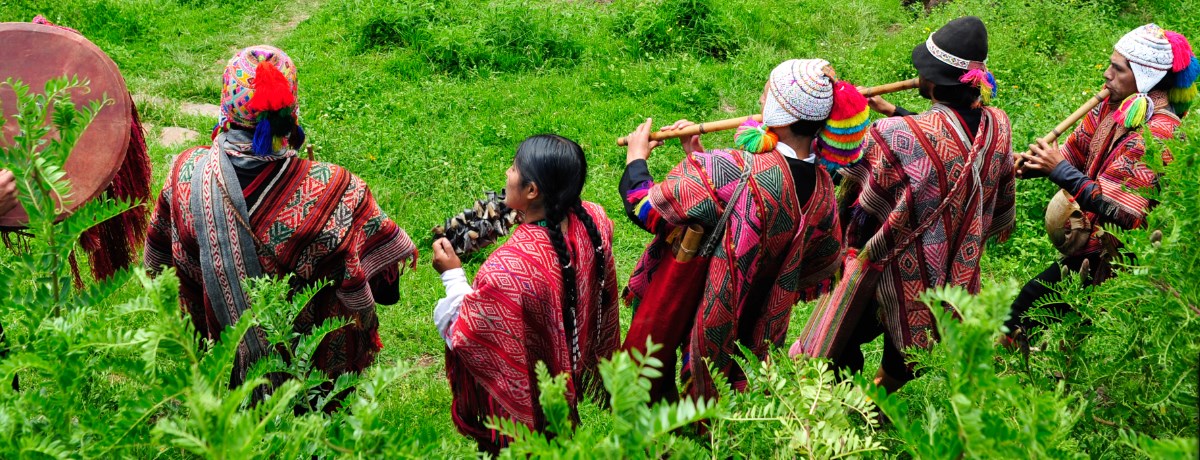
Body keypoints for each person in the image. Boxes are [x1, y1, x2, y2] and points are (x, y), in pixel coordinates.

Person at [144, 45, 416, 397]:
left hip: (227, 341)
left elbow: (163, 262)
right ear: (291, 110)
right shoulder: (337, 190)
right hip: (311, 364)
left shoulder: (185, 173)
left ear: (227, 106)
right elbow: (380, 285)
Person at [620, 58, 868, 401]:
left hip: (697, 297)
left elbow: (645, 208)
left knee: (652, 381)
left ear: (781, 112)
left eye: (768, 92)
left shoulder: (731, 168)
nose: (762, 97)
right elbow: (818, 260)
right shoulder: (824, 188)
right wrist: (699, 156)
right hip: (756, 316)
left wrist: (636, 160)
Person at [791, 16, 1016, 393]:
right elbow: (952, 138)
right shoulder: (999, 124)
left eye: (922, 70)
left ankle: (847, 401)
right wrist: (893, 110)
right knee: (910, 349)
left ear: (934, 83)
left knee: (840, 337)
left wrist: (832, 124)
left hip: (890, 266)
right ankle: (882, 400)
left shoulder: (895, 137)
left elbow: (849, 180)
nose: (917, 74)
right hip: (955, 265)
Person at [432, 134, 620, 454]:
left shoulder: (508, 270)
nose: (507, 171)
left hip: (534, 383)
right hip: (568, 362)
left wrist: (452, 275)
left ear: (532, 191)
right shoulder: (595, 220)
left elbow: (468, 331)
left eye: (515, 168)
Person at [1010, 24, 1196, 337]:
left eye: (1117, 68)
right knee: (1034, 315)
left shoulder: (1159, 133)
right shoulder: (1113, 108)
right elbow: (1075, 154)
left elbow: (1123, 212)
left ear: (1144, 77)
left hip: (1126, 261)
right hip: (1095, 249)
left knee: (1025, 314)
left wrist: (1059, 171)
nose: (1107, 74)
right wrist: (1036, 165)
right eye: (1110, 64)